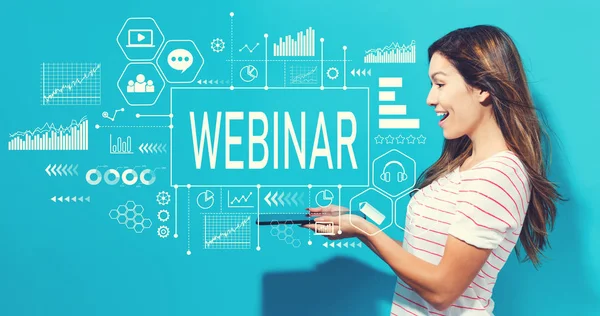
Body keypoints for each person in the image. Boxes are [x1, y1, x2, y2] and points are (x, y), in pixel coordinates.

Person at [302, 25, 562, 315]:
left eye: (440, 84)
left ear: (482, 88)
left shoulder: (498, 176)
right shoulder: (466, 166)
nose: (430, 99)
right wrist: (356, 224)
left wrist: (365, 231)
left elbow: (442, 291)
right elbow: (426, 257)